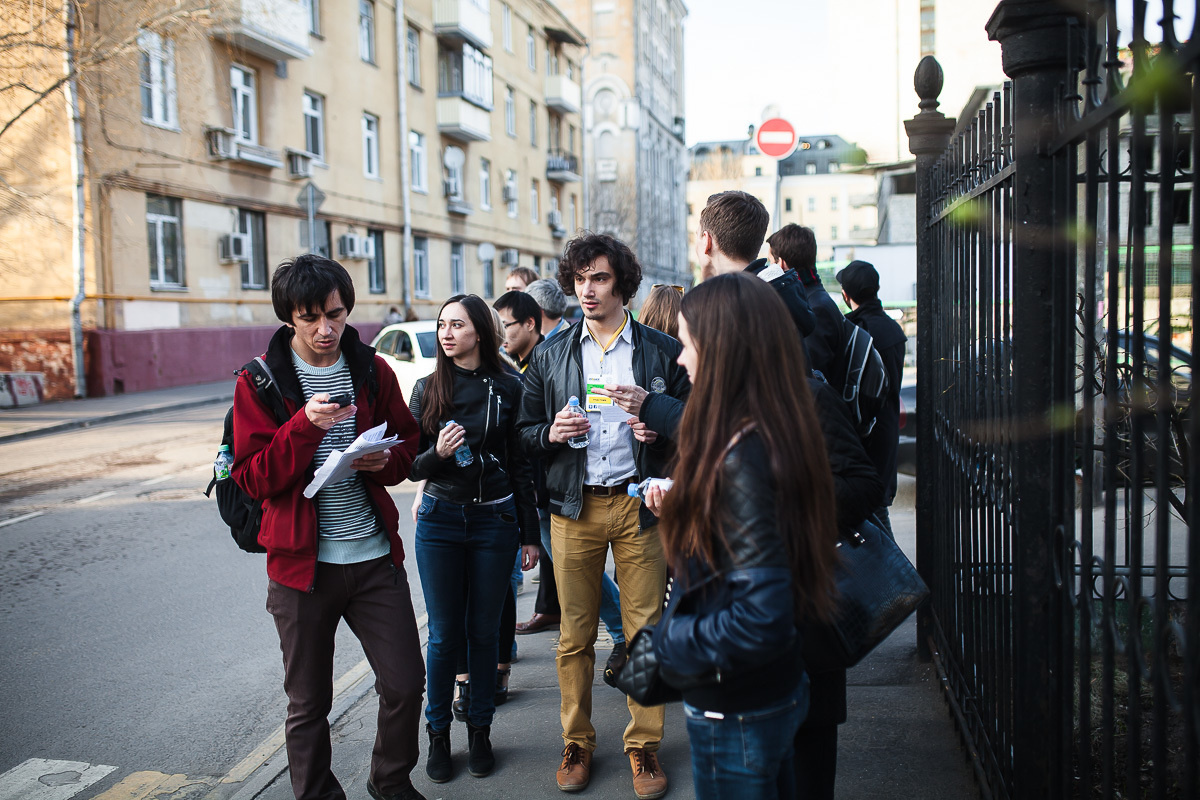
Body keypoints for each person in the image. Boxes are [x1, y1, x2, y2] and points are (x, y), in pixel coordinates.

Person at [231, 254, 425, 800]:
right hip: (301, 570)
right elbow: (252, 477)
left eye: (335, 315)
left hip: (371, 559)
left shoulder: (372, 370)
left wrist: (380, 462)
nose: (325, 329)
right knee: (309, 703)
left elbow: (408, 449)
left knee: (406, 683)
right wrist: (303, 426)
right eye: (310, 317)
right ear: (288, 317)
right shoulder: (261, 381)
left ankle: (390, 782)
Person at [645, 272, 840, 800]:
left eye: (687, 346)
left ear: (723, 350)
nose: (681, 361)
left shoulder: (744, 455)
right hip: (764, 692)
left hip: (736, 705)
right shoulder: (769, 431)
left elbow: (761, 617)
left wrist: (666, 642)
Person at [516, 231, 689, 799]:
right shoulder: (552, 352)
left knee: (644, 632)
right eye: (580, 279)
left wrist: (657, 432)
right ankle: (577, 741)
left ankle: (643, 747)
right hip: (575, 506)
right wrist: (550, 432)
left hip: (639, 507)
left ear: (623, 284)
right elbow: (522, 434)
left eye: (599, 279)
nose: (586, 290)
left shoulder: (659, 352)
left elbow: (694, 429)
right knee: (574, 636)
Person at [407, 294, 540, 783]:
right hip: (440, 521)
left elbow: (522, 465)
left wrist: (530, 535)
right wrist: (437, 454)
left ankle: (480, 731)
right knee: (444, 636)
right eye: (442, 325)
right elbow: (410, 467)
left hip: (493, 523)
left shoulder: (510, 387)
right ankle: (437, 735)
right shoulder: (426, 389)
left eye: (456, 325)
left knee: (484, 635)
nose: (446, 333)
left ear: (479, 332)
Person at [837, 260, 907, 532]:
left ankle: (898, 575)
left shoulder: (856, 331)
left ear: (847, 295)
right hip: (887, 432)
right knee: (877, 510)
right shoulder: (893, 330)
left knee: (875, 520)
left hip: (865, 436)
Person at [766, 224, 844, 381]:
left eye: (770, 263)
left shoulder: (812, 309)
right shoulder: (815, 299)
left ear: (781, 264)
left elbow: (811, 380)